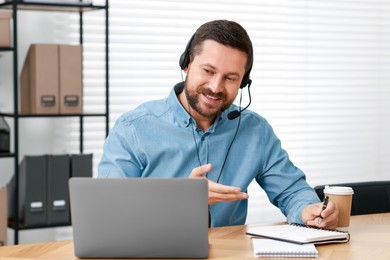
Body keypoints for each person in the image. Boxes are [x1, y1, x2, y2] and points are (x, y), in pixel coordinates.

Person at [98, 20, 338, 229]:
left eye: (230, 78)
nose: (215, 87)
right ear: (186, 64)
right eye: (208, 71)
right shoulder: (133, 129)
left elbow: (292, 191)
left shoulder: (255, 130)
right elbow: (106, 212)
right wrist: (178, 198)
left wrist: (308, 210)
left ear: (243, 83)